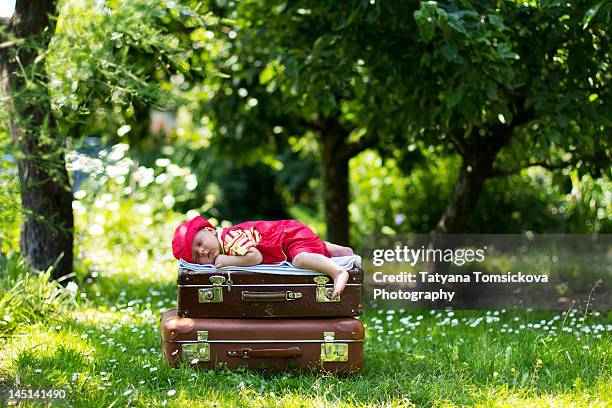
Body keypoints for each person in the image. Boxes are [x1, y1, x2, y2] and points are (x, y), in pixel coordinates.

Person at [172, 216, 353, 298]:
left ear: (211, 230)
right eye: (197, 257)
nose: (202, 251)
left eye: (200, 243)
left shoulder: (229, 239)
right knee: (308, 248)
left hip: (288, 237)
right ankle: (331, 249)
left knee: (299, 259)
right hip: (288, 235)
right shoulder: (223, 241)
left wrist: (229, 261)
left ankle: (337, 272)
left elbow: (256, 257)